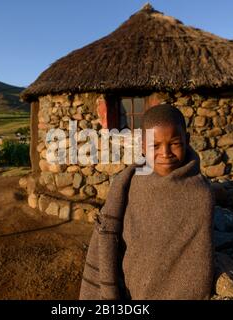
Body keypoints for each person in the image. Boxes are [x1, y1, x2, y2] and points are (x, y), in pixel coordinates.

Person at [79, 104, 215, 300]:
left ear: (187, 140)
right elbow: (117, 241)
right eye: (155, 145)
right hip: (128, 289)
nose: (165, 152)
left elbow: (199, 261)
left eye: (175, 143)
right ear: (143, 146)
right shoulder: (132, 184)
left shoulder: (200, 194)